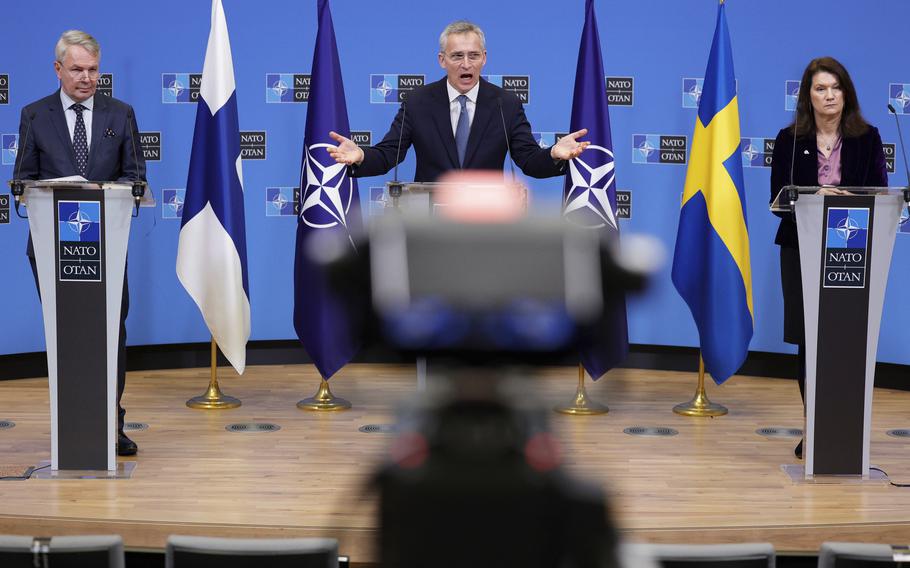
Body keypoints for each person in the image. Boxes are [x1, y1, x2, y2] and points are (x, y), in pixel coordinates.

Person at [14, 30, 147, 456]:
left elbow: (136, 178)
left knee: (111, 334)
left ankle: (112, 425)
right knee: (66, 333)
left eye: (93, 70)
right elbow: (23, 181)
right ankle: (71, 426)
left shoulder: (120, 113)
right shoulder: (35, 115)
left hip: (106, 247)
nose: (86, 78)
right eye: (77, 70)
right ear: (58, 69)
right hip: (55, 250)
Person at [769, 56, 887, 459]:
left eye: (835, 87)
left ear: (846, 92)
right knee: (810, 341)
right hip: (800, 247)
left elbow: (880, 194)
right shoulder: (790, 139)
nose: (829, 95)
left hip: (849, 251)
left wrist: (846, 200)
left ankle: (843, 430)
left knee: (844, 341)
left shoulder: (867, 137)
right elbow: (778, 199)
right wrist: (811, 194)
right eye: (820, 88)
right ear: (808, 96)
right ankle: (814, 429)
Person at [327, 20, 589, 180]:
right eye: (457, 56)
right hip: (431, 223)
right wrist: (361, 155)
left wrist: (554, 154)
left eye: (474, 56)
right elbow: (387, 155)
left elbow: (529, 160)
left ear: (484, 58)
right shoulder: (417, 102)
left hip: (487, 221)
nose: (466, 64)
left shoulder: (505, 104)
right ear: (442, 60)